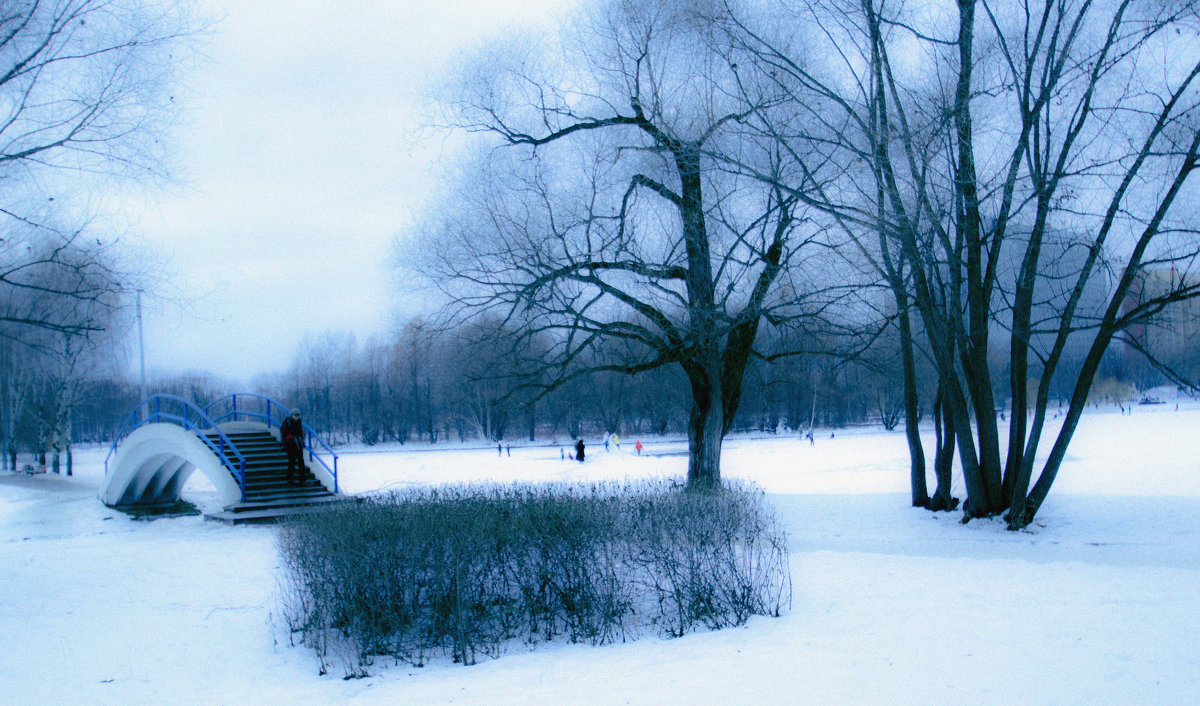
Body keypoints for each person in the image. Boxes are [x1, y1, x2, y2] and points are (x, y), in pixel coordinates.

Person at [280, 411, 306, 485]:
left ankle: (302, 479)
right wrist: (285, 444)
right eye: (295, 416)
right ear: (292, 416)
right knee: (292, 462)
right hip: (291, 445)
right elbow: (283, 434)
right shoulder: (287, 422)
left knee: (301, 462)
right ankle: (290, 479)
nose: (297, 417)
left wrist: (302, 443)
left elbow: (301, 434)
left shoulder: (299, 423)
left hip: (298, 444)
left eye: (298, 416)